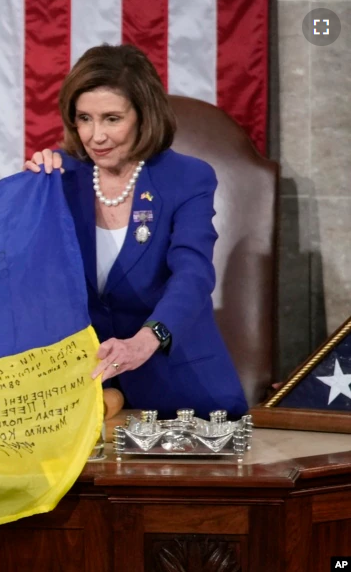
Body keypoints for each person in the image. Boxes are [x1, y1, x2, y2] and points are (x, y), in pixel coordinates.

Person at [23, 44, 247, 420]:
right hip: (86, 391)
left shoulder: (187, 178)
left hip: (181, 388)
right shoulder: (58, 177)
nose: (96, 136)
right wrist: (27, 196)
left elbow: (192, 275)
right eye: (84, 118)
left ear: (144, 116)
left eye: (112, 118)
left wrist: (147, 341)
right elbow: (29, 275)